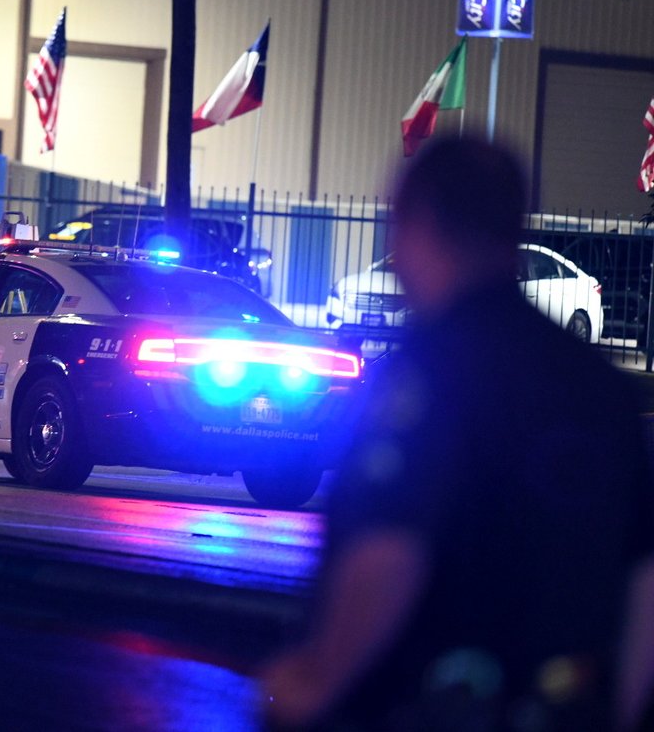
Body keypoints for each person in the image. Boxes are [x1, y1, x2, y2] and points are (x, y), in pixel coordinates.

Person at [258, 134, 654, 731]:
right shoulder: (602, 388)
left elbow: (391, 547)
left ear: (415, 224)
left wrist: (316, 679)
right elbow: (645, 575)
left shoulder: (429, 375)